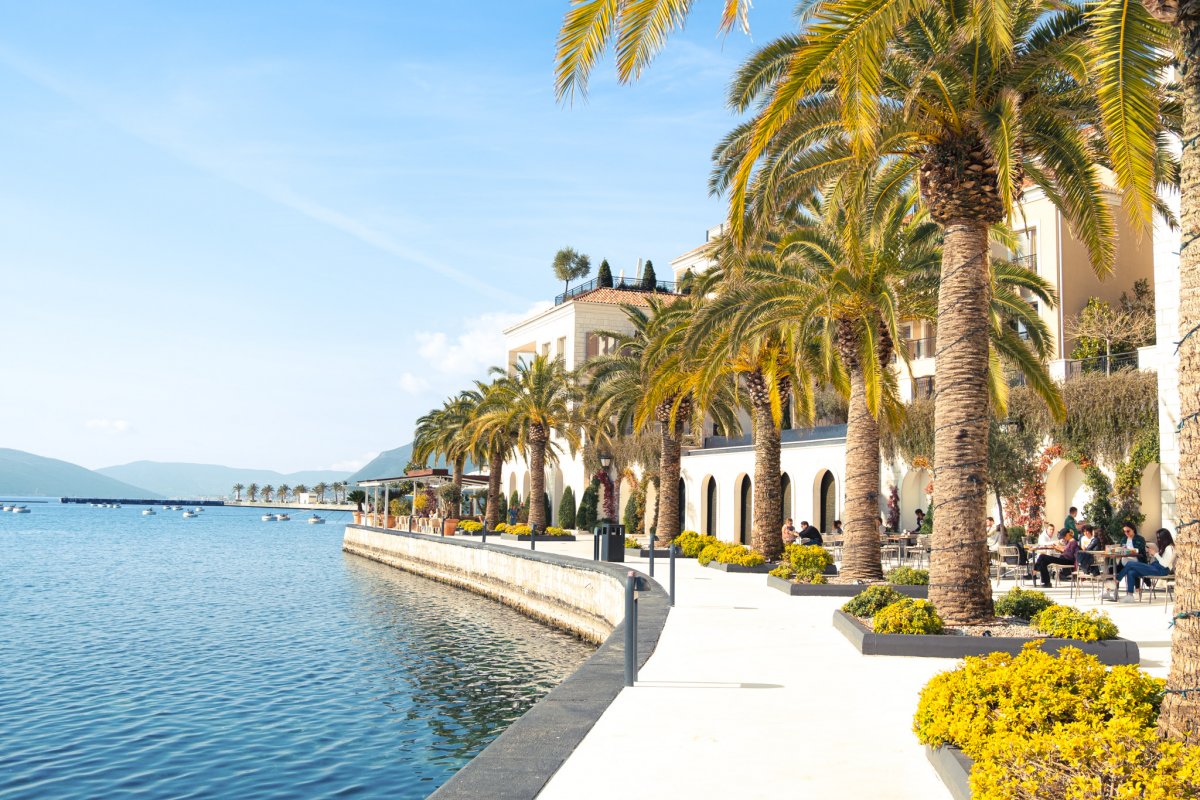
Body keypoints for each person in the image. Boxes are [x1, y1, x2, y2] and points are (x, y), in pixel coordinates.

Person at [1109, 529, 1175, 601]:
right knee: (1131, 572)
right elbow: (1162, 560)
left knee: (1130, 564)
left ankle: (1116, 581)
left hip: (1162, 570)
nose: (1158, 539)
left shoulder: (1169, 548)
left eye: (1159, 538)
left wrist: (1155, 554)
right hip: (1157, 567)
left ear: (1164, 538)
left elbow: (1165, 564)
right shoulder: (1166, 547)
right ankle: (1130, 596)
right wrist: (1154, 554)